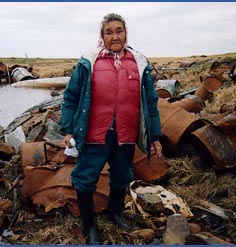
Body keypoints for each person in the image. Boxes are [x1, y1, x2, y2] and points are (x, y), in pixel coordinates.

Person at [60, 13, 162, 245]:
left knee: (121, 176)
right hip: (95, 134)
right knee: (85, 179)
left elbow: (150, 102)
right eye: (109, 32)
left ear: (126, 33)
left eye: (119, 31)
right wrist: (67, 130)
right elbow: (70, 98)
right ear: (102, 36)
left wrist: (154, 136)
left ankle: (114, 213)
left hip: (126, 134)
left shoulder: (139, 62)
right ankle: (89, 225)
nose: (115, 36)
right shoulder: (89, 62)